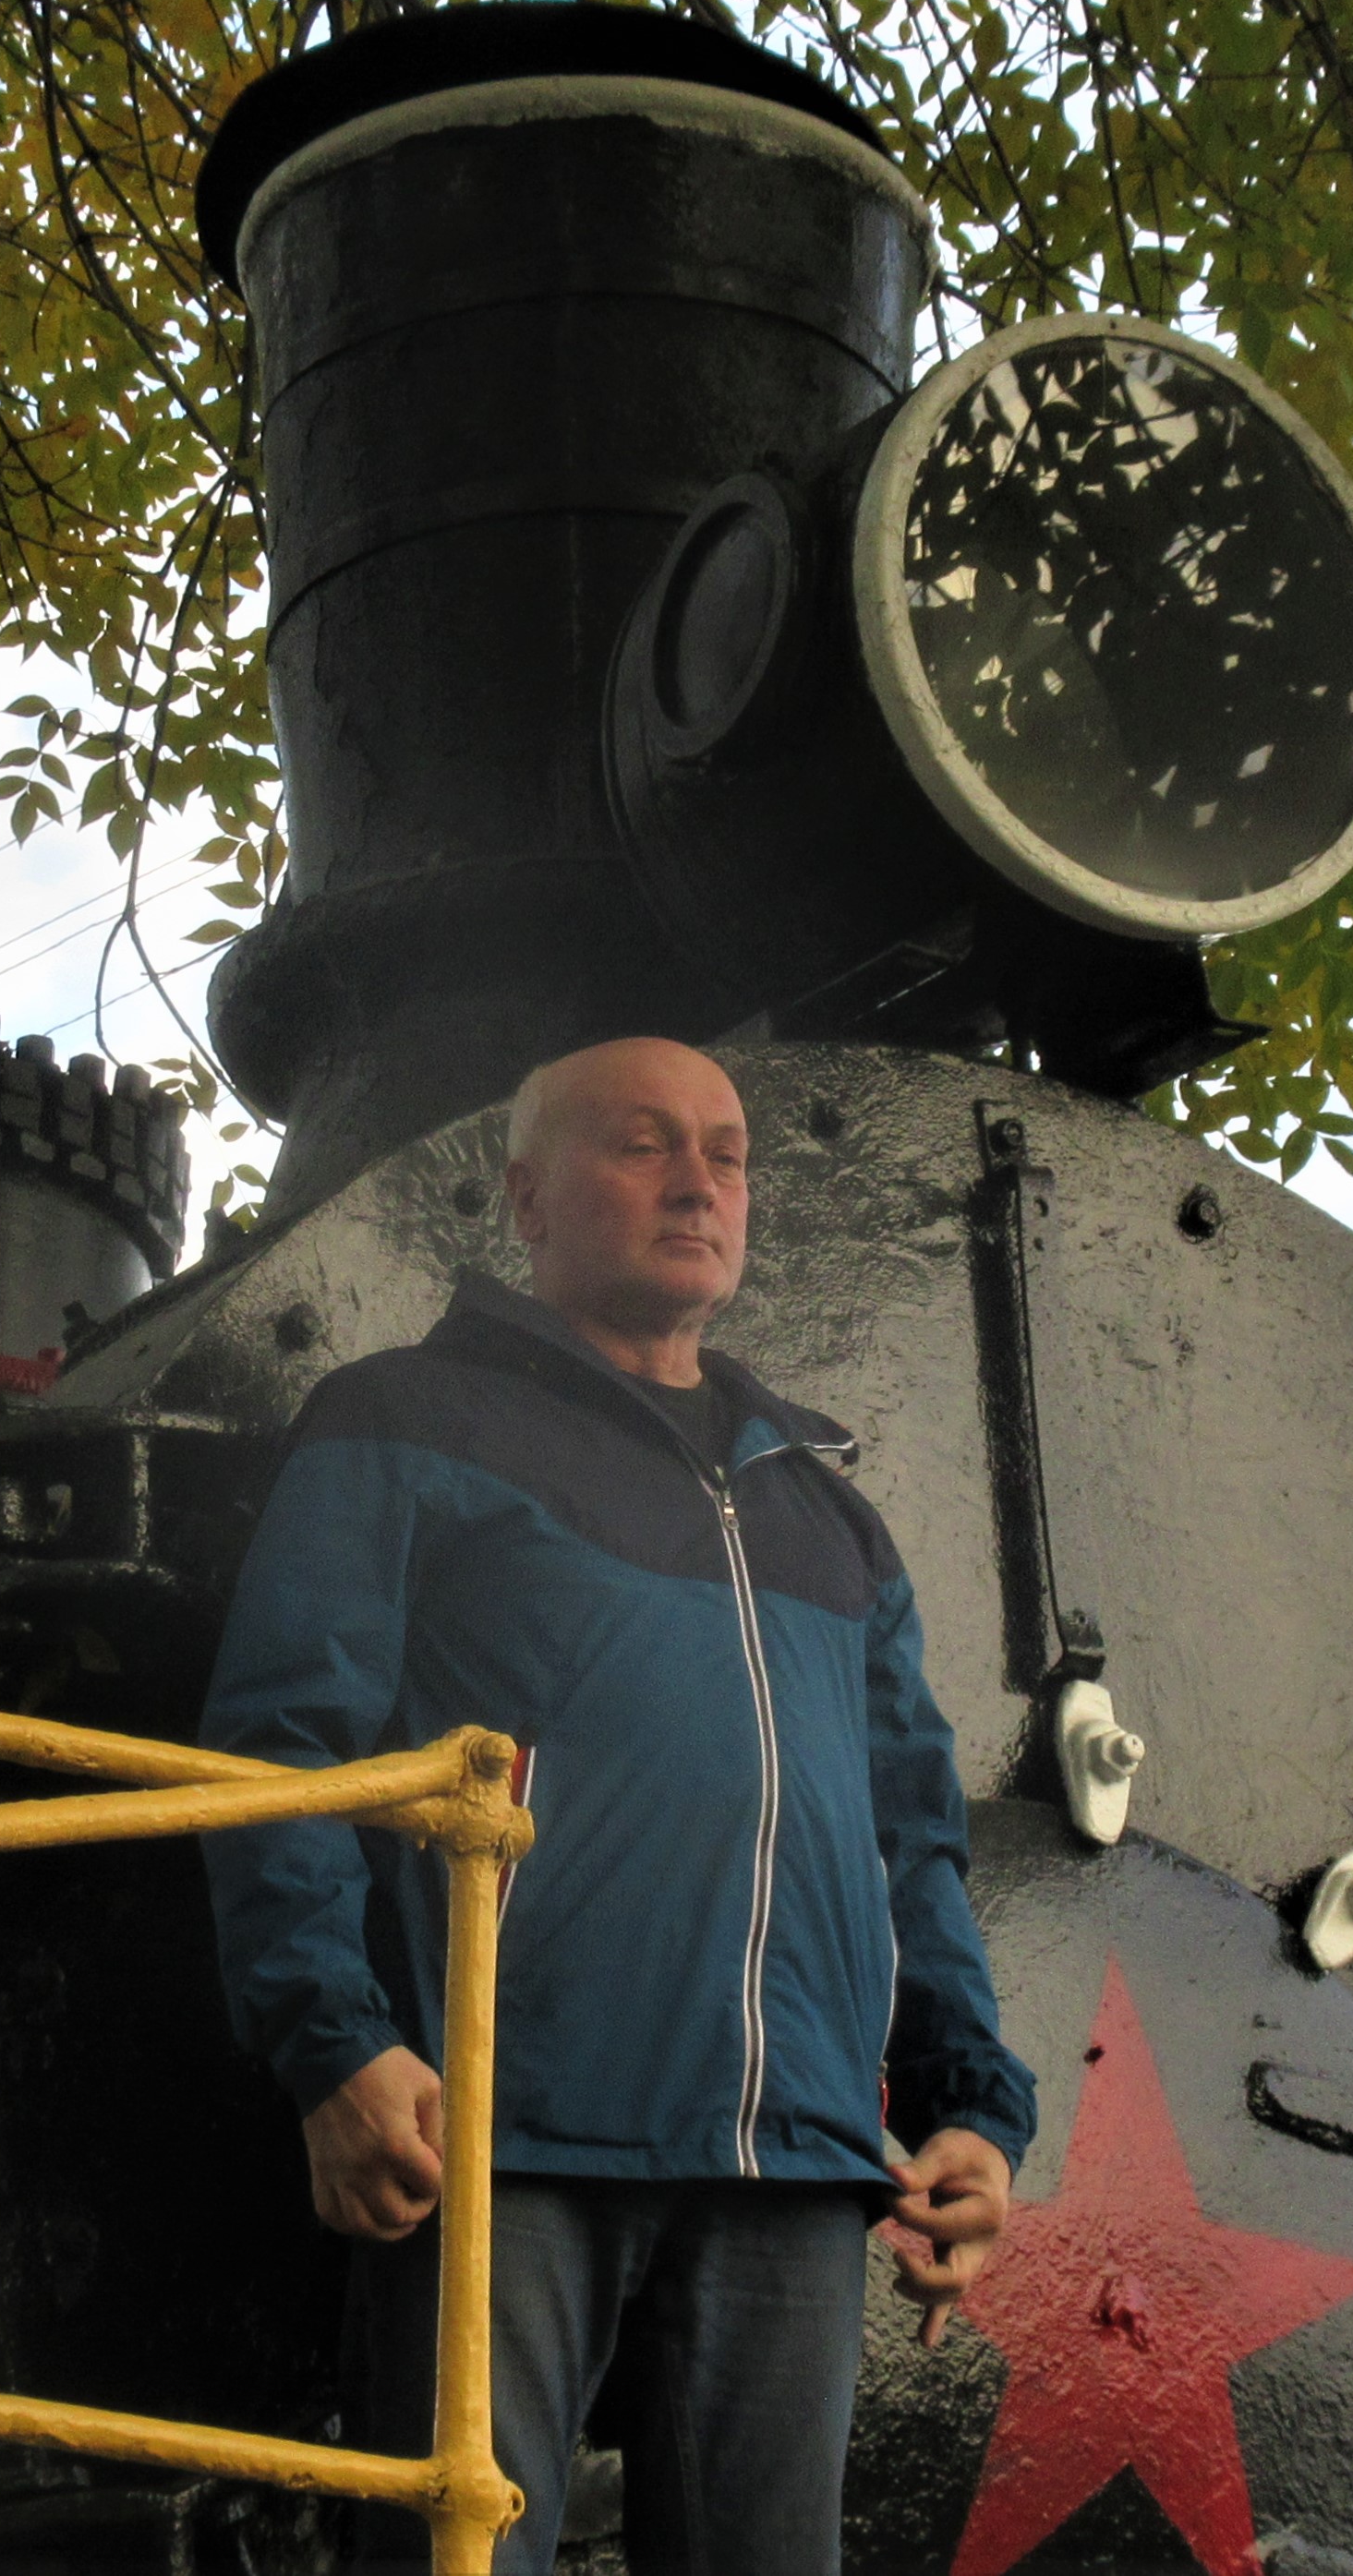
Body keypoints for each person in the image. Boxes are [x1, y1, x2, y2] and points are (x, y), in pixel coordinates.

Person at [199, 1037, 1037, 2574]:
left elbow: (911, 1844)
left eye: (725, 1153)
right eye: (643, 1144)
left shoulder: (831, 1517)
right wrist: (333, 2044)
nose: (697, 1183)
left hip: (793, 2163)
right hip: (499, 2131)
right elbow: (282, 1739)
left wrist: (970, 2109)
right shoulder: (402, 1418)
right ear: (526, 1198)